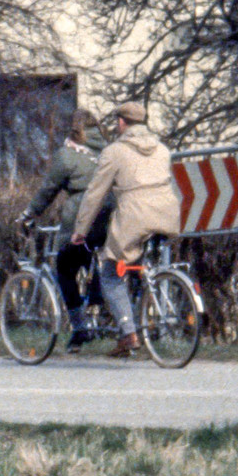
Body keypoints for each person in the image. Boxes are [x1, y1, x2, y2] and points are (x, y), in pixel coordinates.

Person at [71, 102, 182, 357]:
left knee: (110, 273)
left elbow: (95, 193)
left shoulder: (114, 152)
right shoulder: (163, 150)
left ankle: (130, 333)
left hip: (135, 216)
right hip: (167, 215)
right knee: (139, 268)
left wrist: (80, 229)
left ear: (121, 122)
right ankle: (128, 330)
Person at [18, 108, 109, 350]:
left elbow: (48, 189)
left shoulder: (68, 153)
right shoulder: (109, 150)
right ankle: (99, 297)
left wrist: (29, 215)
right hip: (111, 213)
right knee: (93, 254)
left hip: (83, 214)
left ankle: (79, 330)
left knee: (65, 267)